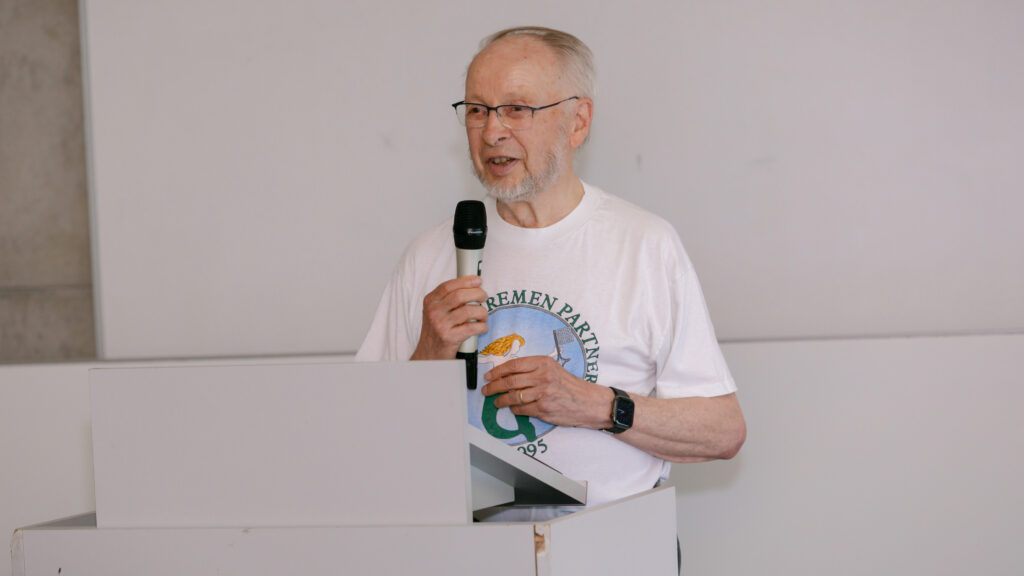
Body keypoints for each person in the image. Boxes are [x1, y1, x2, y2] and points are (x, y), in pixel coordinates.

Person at [357, 26, 745, 521]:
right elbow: (362, 437)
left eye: (517, 109)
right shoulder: (429, 255)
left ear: (577, 122)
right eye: (477, 110)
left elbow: (722, 431)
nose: (492, 132)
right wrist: (428, 357)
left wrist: (597, 406)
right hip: (465, 547)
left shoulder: (644, 245)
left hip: (612, 544)